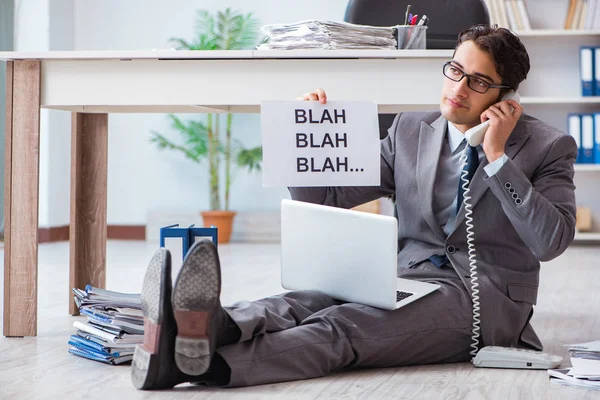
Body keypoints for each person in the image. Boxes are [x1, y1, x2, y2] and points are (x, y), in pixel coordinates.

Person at [131, 25, 577, 390]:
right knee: (301, 303)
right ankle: (205, 328)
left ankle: (199, 365)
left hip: (481, 303)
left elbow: (550, 241)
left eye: (478, 82)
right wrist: (304, 144)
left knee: (344, 325)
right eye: (455, 71)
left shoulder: (548, 146)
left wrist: (498, 158)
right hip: (404, 277)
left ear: (506, 97)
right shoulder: (409, 130)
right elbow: (328, 198)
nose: (458, 89)